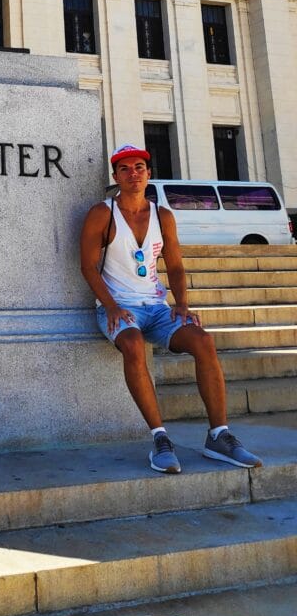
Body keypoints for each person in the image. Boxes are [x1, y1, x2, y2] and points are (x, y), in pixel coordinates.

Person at [80, 143, 262, 474]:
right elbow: (88, 266)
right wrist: (109, 306)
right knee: (133, 345)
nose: (132, 174)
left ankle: (219, 436)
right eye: (124, 169)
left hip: (158, 307)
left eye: (139, 167)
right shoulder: (102, 214)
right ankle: (161, 439)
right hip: (119, 306)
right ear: (115, 177)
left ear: (149, 174)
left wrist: (182, 304)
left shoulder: (163, 216)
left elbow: (175, 266)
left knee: (203, 341)